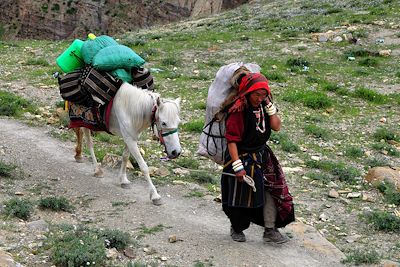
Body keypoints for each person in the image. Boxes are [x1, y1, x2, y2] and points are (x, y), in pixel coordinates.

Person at [220, 71, 295, 244]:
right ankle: (237, 227)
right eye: (257, 94)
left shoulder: (263, 107)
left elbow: (276, 127)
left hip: (262, 155)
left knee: (272, 189)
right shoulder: (238, 110)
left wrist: (270, 107)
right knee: (240, 196)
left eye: (264, 95)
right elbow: (231, 140)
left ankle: (270, 229)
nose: (259, 98)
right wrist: (238, 167)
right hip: (240, 156)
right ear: (248, 92)